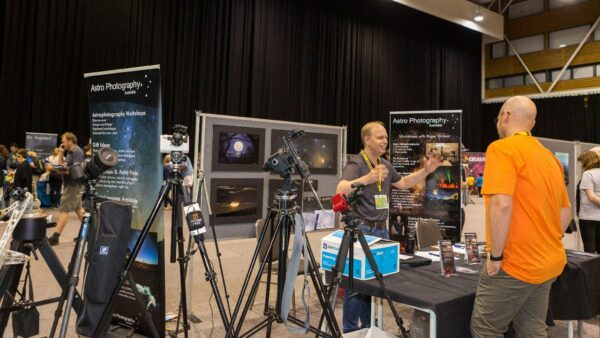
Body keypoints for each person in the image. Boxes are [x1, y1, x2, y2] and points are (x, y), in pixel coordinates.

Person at [470, 96, 571, 338]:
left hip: (515, 263)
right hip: (549, 261)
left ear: (504, 116)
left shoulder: (501, 148)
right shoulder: (550, 158)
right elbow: (565, 213)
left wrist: (496, 256)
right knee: (532, 328)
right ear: (531, 124)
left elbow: (502, 205)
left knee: (485, 329)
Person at [336, 121, 442, 333]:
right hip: (362, 231)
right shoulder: (356, 164)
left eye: (385, 137)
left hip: (381, 231)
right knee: (355, 286)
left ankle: (368, 329)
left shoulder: (384, 164)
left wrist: (426, 171)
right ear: (367, 140)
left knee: (374, 286)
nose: (385, 141)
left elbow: (403, 183)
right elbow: (340, 189)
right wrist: (366, 179)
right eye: (380, 137)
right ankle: (349, 331)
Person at [47, 132, 85, 246]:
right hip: (72, 185)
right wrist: (61, 153)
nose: (62, 143)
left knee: (64, 209)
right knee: (79, 209)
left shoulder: (76, 152)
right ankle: (89, 233)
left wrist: (62, 170)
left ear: (70, 140)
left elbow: (77, 170)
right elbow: (61, 165)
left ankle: (55, 237)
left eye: (63, 141)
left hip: (73, 185)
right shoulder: (70, 152)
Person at [576, 150, 600, 253]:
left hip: (588, 218)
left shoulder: (587, 174)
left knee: (589, 250)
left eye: (582, 162)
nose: (582, 165)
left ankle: (592, 270)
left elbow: (591, 196)